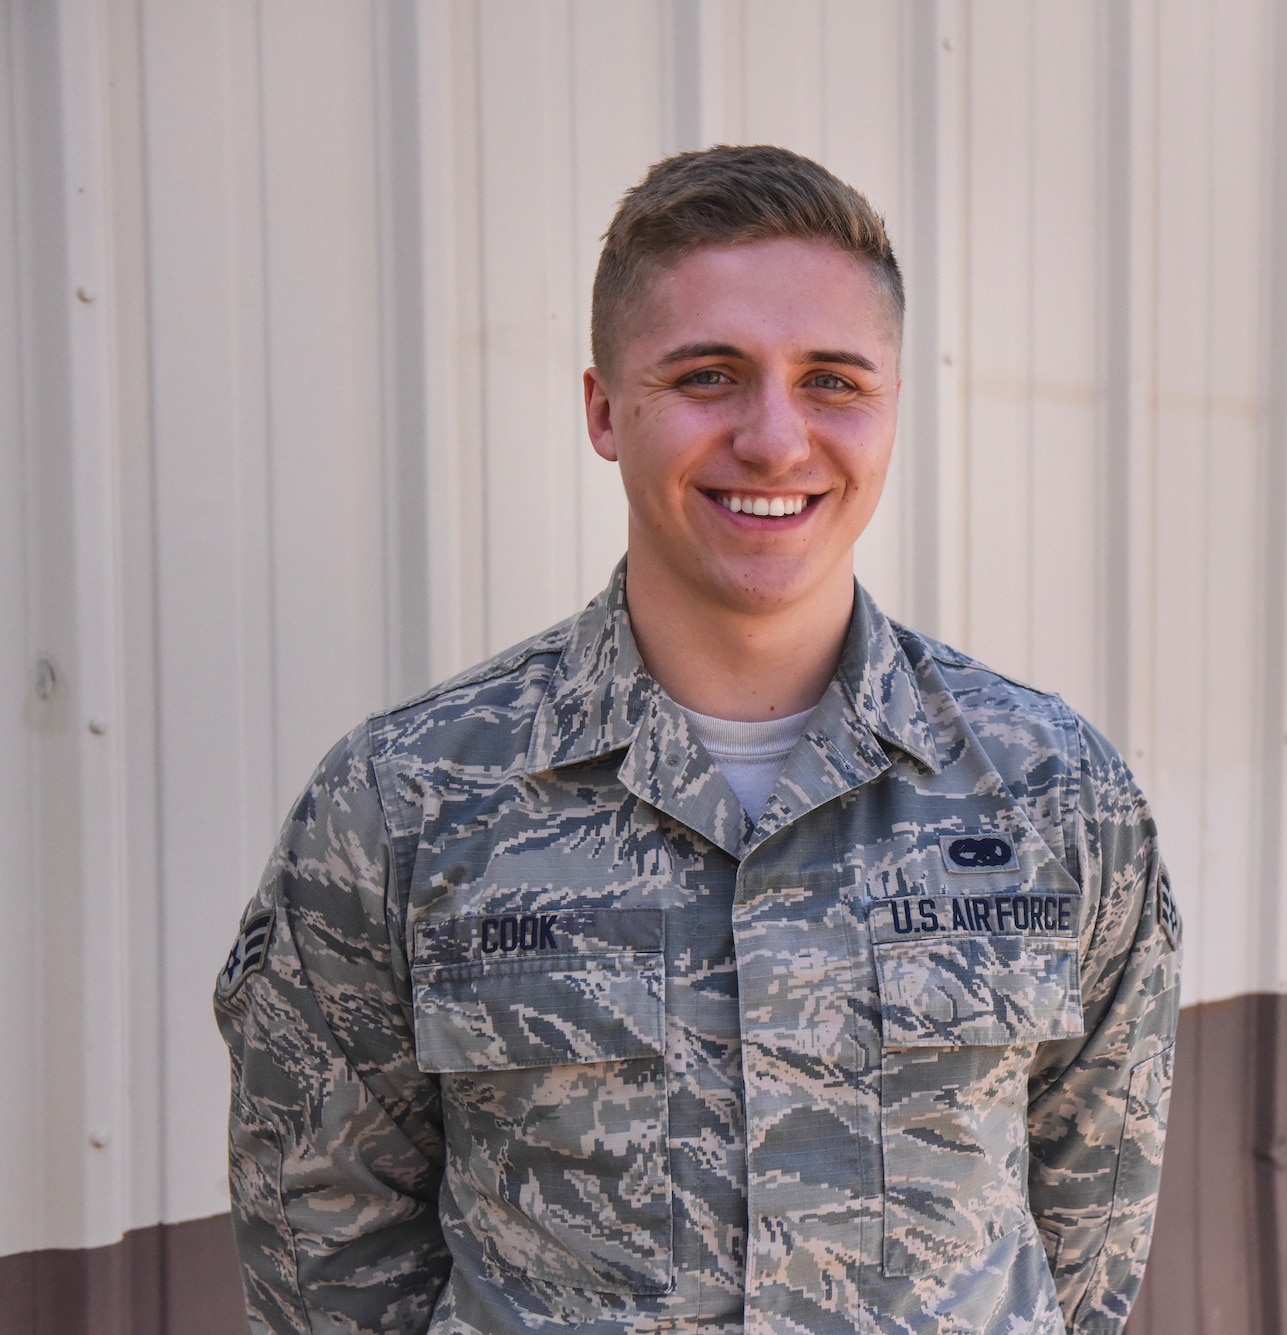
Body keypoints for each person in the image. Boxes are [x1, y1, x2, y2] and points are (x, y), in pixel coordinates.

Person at [214, 144, 1181, 1334]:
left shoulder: (1051, 794)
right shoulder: (404, 804)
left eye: (832, 380)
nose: (775, 440)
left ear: (890, 411)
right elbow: (325, 1241)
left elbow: (1089, 1220)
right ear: (604, 410)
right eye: (709, 375)